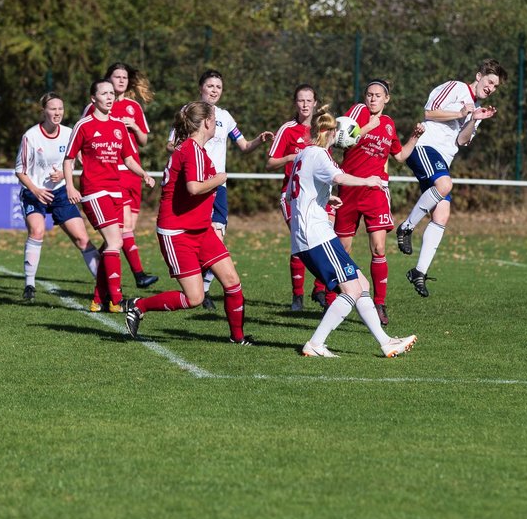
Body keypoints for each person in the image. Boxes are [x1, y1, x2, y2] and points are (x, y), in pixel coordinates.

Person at [288, 107, 418, 358]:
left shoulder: (304, 154)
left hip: (314, 234)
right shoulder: (318, 154)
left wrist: (327, 200)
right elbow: (340, 177)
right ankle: (315, 343)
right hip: (315, 236)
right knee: (352, 290)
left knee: (361, 282)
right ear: (327, 132)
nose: (339, 136)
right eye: (336, 131)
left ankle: (386, 341)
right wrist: (368, 180)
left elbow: (302, 191)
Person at [125, 100, 254, 345]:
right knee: (194, 298)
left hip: (201, 229)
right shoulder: (191, 150)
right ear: (206, 122)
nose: (216, 124)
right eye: (214, 119)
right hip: (177, 233)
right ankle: (138, 306)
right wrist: (219, 179)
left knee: (232, 281)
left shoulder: (196, 150)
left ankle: (238, 339)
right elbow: (193, 188)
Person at [395, 59, 508, 297]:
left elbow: (462, 141)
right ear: (479, 77)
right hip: (425, 147)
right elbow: (428, 112)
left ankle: (419, 272)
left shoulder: (475, 108)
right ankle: (406, 227)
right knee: (445, 185)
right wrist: (460, 112)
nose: (491, 88)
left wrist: (475, 119)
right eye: (489, 82)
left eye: (495, 87)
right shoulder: (456, 87)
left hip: (443, 159)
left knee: (442, 214)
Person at [174, 70, 272, 309]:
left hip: (219, 187)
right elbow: (172, 143)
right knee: (196, 236)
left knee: (217, 238)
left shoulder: (225, 117)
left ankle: (204, 289)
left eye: (218, 86)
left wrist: (259, 140)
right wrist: (185, 155)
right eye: (210, 85)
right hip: (196, 184)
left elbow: (244, 145)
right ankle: (195, 285)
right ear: (201, 88)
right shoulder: (190, 112)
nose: (215, 90)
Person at [335, 79, 424, 325]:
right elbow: (339, 139)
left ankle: (380, 303)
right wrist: (366, 127)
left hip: (375, 189)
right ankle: (334, 297)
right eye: (369, 95)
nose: (372, 99)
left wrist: (414, 138)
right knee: (342, 250)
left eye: (378, 95)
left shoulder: (388, 124)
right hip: (350, 188)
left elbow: (399, 157)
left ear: (387, 99)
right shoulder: (358, 112)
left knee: (379, 248)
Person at [64, 79, 155, 312]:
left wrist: (143, 173)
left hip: (116, 189)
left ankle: (98, 298)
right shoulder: (83, 125)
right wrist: (70, 186)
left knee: (110, 245)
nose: (109, 97)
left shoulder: (118, 125)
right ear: (93, 98)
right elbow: (68, 158)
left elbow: (128, 158)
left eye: (112, 93)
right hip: (94, 190)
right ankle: (116, 299)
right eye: (104, 93)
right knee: (116, 241)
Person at [14, 93, 101, 302]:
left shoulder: (70, 133)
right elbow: (20, 170)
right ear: (44, 111)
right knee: (37, 230)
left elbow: (81, 160)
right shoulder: (31, 136)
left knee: (82, 239)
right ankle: (30, 285)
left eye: (60, 108)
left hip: (61, 192)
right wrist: (35, 190)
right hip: (35, 193)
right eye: (53, 109)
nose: (57, 113)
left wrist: (64, 173)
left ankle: (105, 286)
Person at [86, 62, 158, 290]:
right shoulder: (97, 106)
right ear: (108, 79)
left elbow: (145, 140)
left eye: (124, 77)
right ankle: (138, 275)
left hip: (132, 173)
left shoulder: (133, 107)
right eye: (116, 77)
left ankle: (102, 262)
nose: (121, 81)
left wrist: (135, 126)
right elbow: (82, 134)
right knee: (123, 228)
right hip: (111, 175)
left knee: (124, 231)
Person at [265, 83, 322, 311]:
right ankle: (297, 297)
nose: (305, 105)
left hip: (317, 196)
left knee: (325, 238)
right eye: (301, 100)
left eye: (309, 100)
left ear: (315, 103)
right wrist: (291, 156)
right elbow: (270, 163)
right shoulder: (287, 129)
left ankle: (320, 289)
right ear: (295, 103)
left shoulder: (322, 130)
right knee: (300, 242)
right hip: (292, 196)